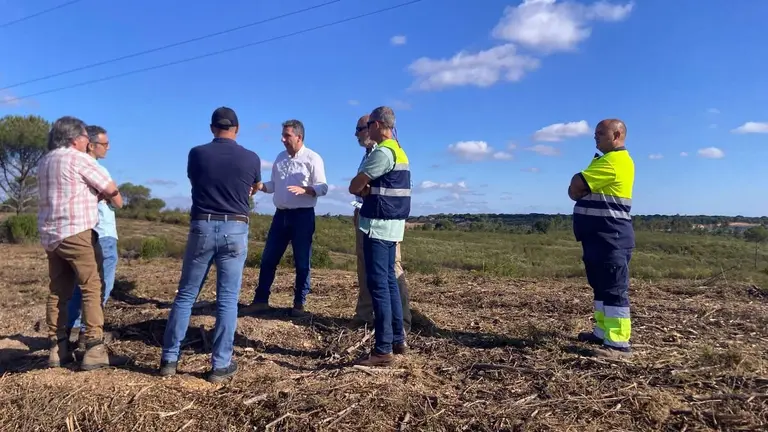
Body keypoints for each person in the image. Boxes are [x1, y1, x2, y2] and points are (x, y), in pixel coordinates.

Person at [159, 107, 261, 383]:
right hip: (236, 227)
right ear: (237, 129)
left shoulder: (197, 153)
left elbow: (195, 180)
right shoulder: (251, 158)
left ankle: (169, 359)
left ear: (211, 127)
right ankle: (220, 365)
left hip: (202, 224)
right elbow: (254, 187)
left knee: (186, 295)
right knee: (227, 300)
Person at [37, 116, 121, 370]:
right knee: (91, 286)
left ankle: (57, 347)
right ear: (76, 139)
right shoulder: (79, 159)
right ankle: (94, 348)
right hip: (77, 232)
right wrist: (114, 198)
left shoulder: (45, 161)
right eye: (85, 137)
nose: (88, 142)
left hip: (52, 235)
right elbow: (110, 190)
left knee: (58, 291)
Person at [242, 119, 328, 317]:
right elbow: (274, 185)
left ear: (299, 137)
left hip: (302, 216)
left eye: (287, 136)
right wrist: (260, 186)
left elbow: (323, 187)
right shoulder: (280, 158)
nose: (283, 139)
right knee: (268, 259)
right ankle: (261, 301)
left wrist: (306, 189)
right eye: (283, 135)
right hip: (280, 215)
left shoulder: (313, 158)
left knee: (302, 262)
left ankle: (299, 305)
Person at [348, 106, 411, 367]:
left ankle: (382, 349)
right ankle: (397, 338)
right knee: (388, 282)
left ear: (376, 124)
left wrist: (363, 189)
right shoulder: (400, 151)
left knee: (379, 286)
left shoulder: (383, 152)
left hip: (377, 226)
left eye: (368, 125)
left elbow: (354, 185)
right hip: (392, 226)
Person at [568, 118, 635, 359]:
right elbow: (577, 189)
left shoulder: (614, 162)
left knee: (614, 288)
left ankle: (618, 344)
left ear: (616, 135)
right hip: (599, 236)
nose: (595, 137)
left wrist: (579, 184)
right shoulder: (605, 160)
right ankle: (602, 332)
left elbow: (577, 184)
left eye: (600, 133)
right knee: (600, 286)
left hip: (611, 236)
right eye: (595, 133)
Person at [65, 125, 123, 351]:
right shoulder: (96, 170)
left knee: (79, 286)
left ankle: (67, 334)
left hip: (80, 234)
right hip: (103, 234)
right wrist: (111, 196)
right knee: (100, 287)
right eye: (105, 144)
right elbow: (118, 200)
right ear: (91, 145)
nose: (108, 148)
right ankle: (88, 336)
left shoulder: (70, 170)